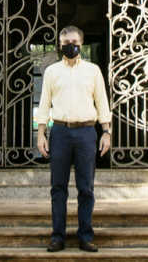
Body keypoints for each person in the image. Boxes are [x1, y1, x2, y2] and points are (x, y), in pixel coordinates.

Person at [35, 25, 112, 253]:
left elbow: (102, 101)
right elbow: (44, 103)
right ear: (60, 46)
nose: (71, 46)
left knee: (86, 188)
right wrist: (41, 134)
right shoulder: (52, 72)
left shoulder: (93, 71)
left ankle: (85, 236)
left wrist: (106, 132)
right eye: (66, 43)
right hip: (60, 132)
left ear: (81, 43)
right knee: (58, 187)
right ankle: (57, 237)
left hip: (87, 133)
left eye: (74, 42)